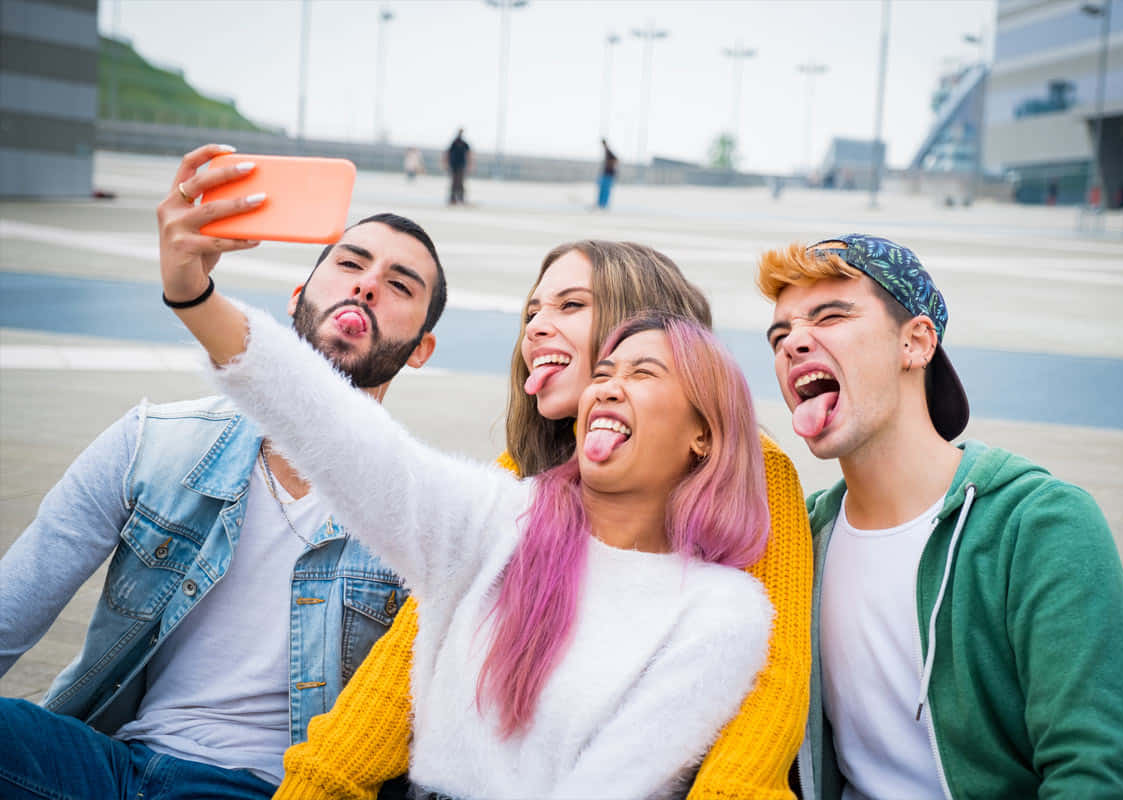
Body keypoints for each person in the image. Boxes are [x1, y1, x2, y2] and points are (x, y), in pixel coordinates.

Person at [159, 201, 777, 799]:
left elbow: (664, 768)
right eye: (606, 373)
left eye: (642, 373)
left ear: (706, 431)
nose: (536, 325)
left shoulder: (727, 604)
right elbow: (344, 438)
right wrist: (196, 299)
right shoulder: (505, 510)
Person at [0, 144, 448, 799]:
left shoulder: (422, 515)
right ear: (298, 296)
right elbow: (13, 611)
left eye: (400, 284)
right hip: (108, 766)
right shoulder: (155, 443)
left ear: (422, 350)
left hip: (262, 788)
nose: (367, 284)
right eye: (350, 262)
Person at [759, 234, 1123, 798]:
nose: (794, 343)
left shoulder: (1039, 527)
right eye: (779, 334)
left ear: (916, 342)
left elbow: (1091, 774)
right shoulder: (802, 542)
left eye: (831, 315)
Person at [444, 128, 470, 205]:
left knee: (460, 183)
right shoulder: (454, 142)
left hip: (461, 165)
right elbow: (448, 153)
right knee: (454, 183)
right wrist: (446, 163)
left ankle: (461, 198)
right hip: (454, 165)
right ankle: (453, 199)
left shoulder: (464, 143)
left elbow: (468, 154)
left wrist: (469, 164)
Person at [596, 138, 618, 209]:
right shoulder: (606, 152)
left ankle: (603, 205)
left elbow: (616, 159)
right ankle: (600, 204)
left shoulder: (609, 151)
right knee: (602, 190)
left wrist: (610, 164)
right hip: (606, 174)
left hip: (608, 174)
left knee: (605, 190)